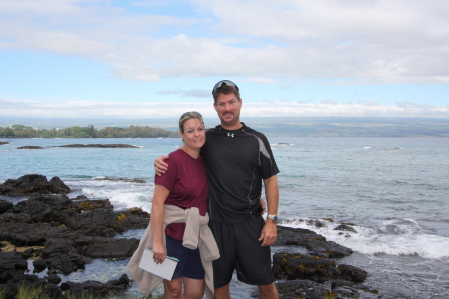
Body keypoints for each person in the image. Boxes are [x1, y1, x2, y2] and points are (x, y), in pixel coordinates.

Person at [155, 80, 280, 299]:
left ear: (240, 103)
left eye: (231, 102)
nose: (227, 108)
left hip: (250, 225)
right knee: (219, 287)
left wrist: (272, 220)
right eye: (221, 104)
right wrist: (159, 161)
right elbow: (184, 155)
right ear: (215, 107)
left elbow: (270, 180)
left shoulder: (257, 140)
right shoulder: (208, 138)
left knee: (266, 284)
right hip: (215, 227)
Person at [128, 111, 219, 299]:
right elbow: (157, 202)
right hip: (171, 235)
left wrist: (253, 199)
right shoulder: (171, 162)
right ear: (181, 135)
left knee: (195, 293)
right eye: (190, 131)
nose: (197, 134)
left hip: (196, 236)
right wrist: (157, 243)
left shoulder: (207, 161)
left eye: (200, 129)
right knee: (174, 290)